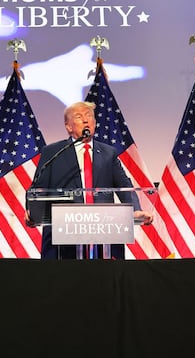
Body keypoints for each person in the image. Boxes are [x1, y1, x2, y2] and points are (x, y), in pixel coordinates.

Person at [26, 101, 153, 260]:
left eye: (89, 116)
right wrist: (32, 212)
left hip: (104, 231)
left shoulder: (108, 153)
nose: (86, 120)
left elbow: (123, 185)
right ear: (68, 127)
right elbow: (38, 188)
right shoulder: (53, 152)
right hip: (63, 237)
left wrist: (135, 210)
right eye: (79, 117)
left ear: (94, 123)